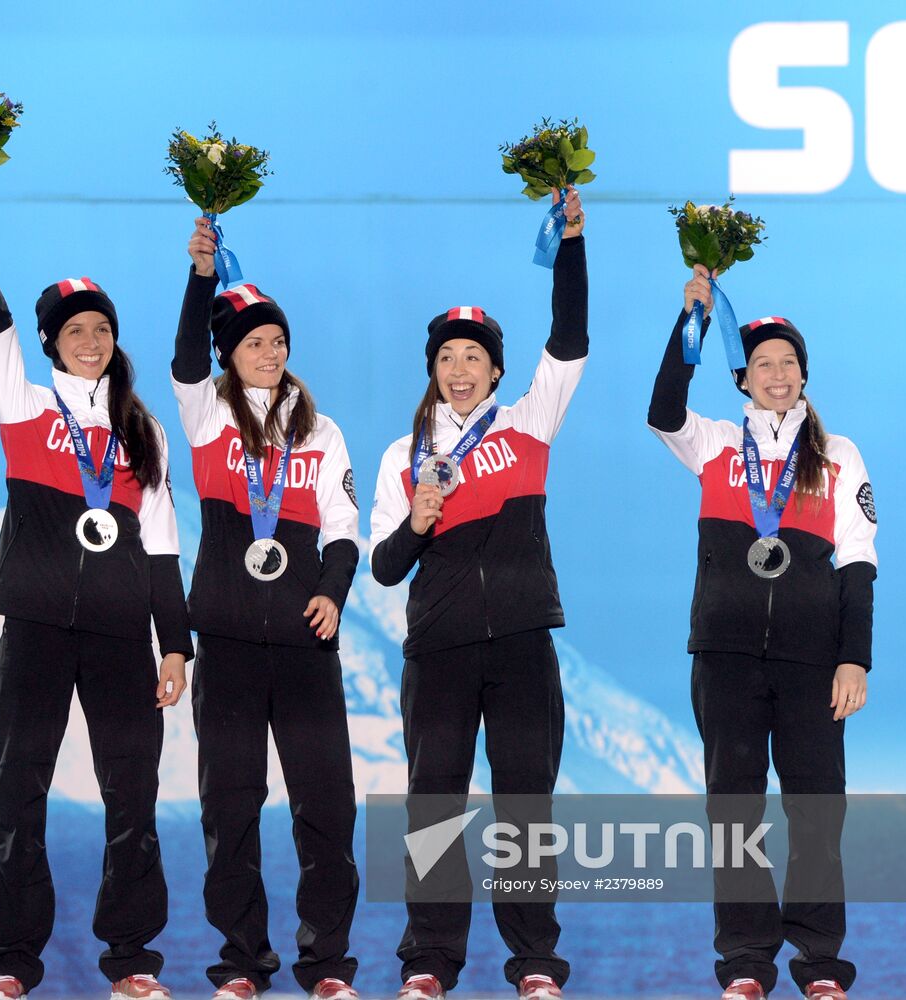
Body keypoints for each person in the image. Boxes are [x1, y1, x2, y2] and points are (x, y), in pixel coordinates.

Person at [0, 148, 193, 1000]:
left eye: (102, 330)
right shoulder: (22, 402)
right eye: (75, 330)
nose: (90, 341)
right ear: (50, 343)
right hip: (36, 626)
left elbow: (161, 551)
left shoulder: (142, 435)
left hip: (121, 636)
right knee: (20, 797)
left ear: (116, 345)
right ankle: (11, 964)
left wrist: (175, 648)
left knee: (133, 799)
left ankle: (132, 961)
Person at [369, 187, 587, 1000]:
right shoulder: (402, 452)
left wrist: (570, 245)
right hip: (440, 650)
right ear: (433, 369)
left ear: (496, 369)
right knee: (435, 809)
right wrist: (420, 522)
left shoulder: (528, 423)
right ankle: (429, 963)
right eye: (447, 357)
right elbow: (385, 567)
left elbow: (570, 341)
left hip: (525, 642)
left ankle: (534, 963)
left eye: (474, 357)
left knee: (525, 810)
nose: (459, 369)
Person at [647, 265, 878, 1000]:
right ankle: (746, 963)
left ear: (805, 375)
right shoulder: (712, 442)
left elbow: (859, 566)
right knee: (734, 810)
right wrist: (693, 322)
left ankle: (818, 966)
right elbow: (661, 408)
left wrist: (854, 659)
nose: (777, 376)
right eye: (764, 366)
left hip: (814, 663)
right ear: (743, 379)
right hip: (726, 657)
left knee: (816, 811)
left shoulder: (838, 455)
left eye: (789, 364)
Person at [173, 218, 362, 1000]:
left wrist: (332, 591)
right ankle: (242, 967)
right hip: (226, 643)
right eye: (255, 341)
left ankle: (324, 968)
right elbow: (184, 359)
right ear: (230, 352)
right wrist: (200, 277)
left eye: (279, 339)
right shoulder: (206, 417)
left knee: (325, 812)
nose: (272, 350)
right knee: (232, 811)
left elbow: (346, 531)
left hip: (304, 647)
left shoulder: (322, 431)